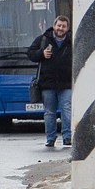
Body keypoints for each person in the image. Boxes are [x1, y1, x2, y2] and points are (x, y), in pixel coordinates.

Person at [27, 14, 73, 148]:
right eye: (59, 25)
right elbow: (30, 54)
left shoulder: (72, 41)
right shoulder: (43, 39)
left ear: (67, 28)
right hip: (47, 83)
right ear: (54, 26)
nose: (61, 28)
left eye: (63, 26)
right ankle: (51, 138)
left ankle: (67, 137)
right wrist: (41, 54)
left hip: (66, 83)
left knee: (67, 109)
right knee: (50, 112)